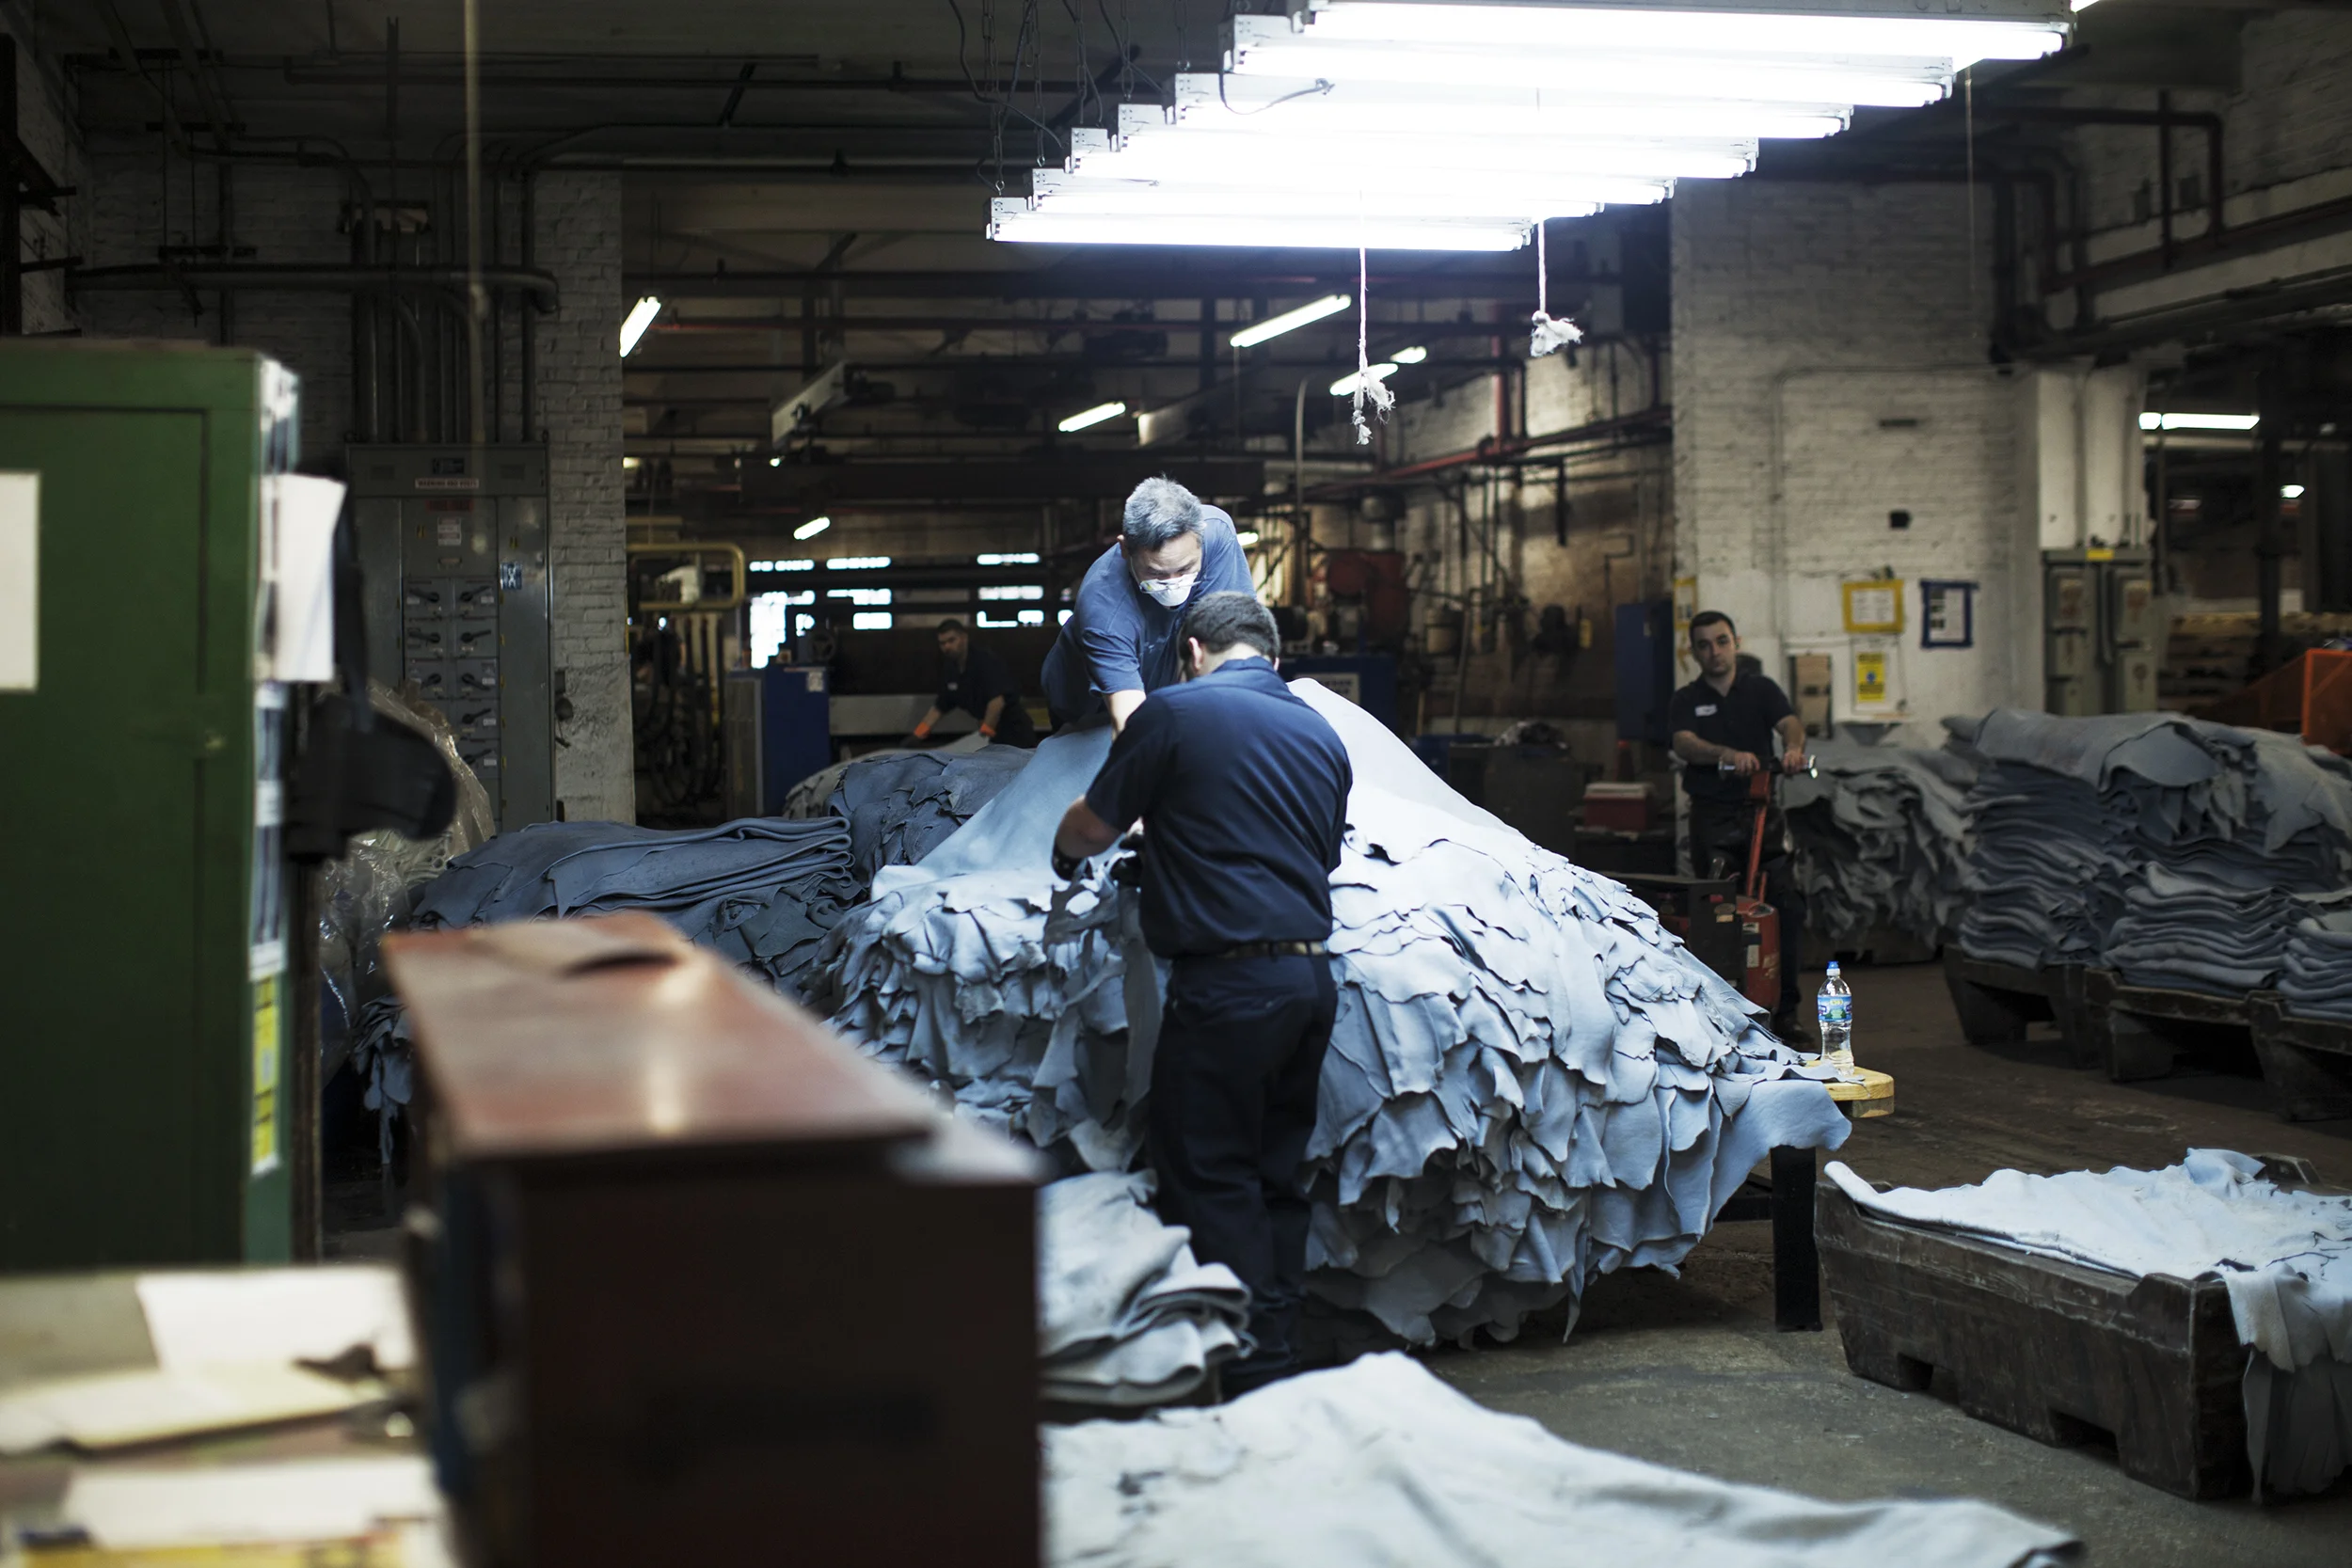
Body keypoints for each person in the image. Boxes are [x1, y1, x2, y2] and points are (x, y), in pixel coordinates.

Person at [1050, 592, 1352, 1394]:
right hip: (1308, 981)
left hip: (1226, 985)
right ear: (1274, 658)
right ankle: (1277, 1356)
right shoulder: (1324, 734)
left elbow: (1093, 827)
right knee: (1276, 1174)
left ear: (1191, 651)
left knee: (1210, 1172)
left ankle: (1236, 1365)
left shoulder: (1171, 715)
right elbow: (1315, 855)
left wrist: (1061, 849)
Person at [1669, 610, 1813, 1036]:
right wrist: (1725, 755)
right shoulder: (1687, 699)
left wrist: (1792, 748)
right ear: (1693, 652)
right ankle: (1719, 1014)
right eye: (1704, 645)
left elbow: (1790, 723)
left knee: (1786, 905)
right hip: (1714, 819)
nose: (1715, 651)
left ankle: (1786, 1013)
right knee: (1716, 914)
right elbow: (1685, 743)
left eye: (1722, 641)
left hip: (1762, 817)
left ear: (1736, 642)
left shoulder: (1760, 690)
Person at [1040, 476, 1254, 732]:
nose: (1173, 583)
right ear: (1125, 549)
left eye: (1185, 569)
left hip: (1164, 682)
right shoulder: (1103, 605)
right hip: (1088, 708)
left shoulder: (1216, 535)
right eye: (1157, 574)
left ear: (1201, 540)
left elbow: (1224, 645)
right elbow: (1128, 720)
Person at [911, 618, 1037, 747]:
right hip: (990, 736)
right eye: (942, 643)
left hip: (1014, 733)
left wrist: (983, 736)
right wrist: (917, 734)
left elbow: (997, 702)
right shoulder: (950, 670)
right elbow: (940, 707)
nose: (947, 647)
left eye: (951, 640)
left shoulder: (985, 661)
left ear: (964, 638)